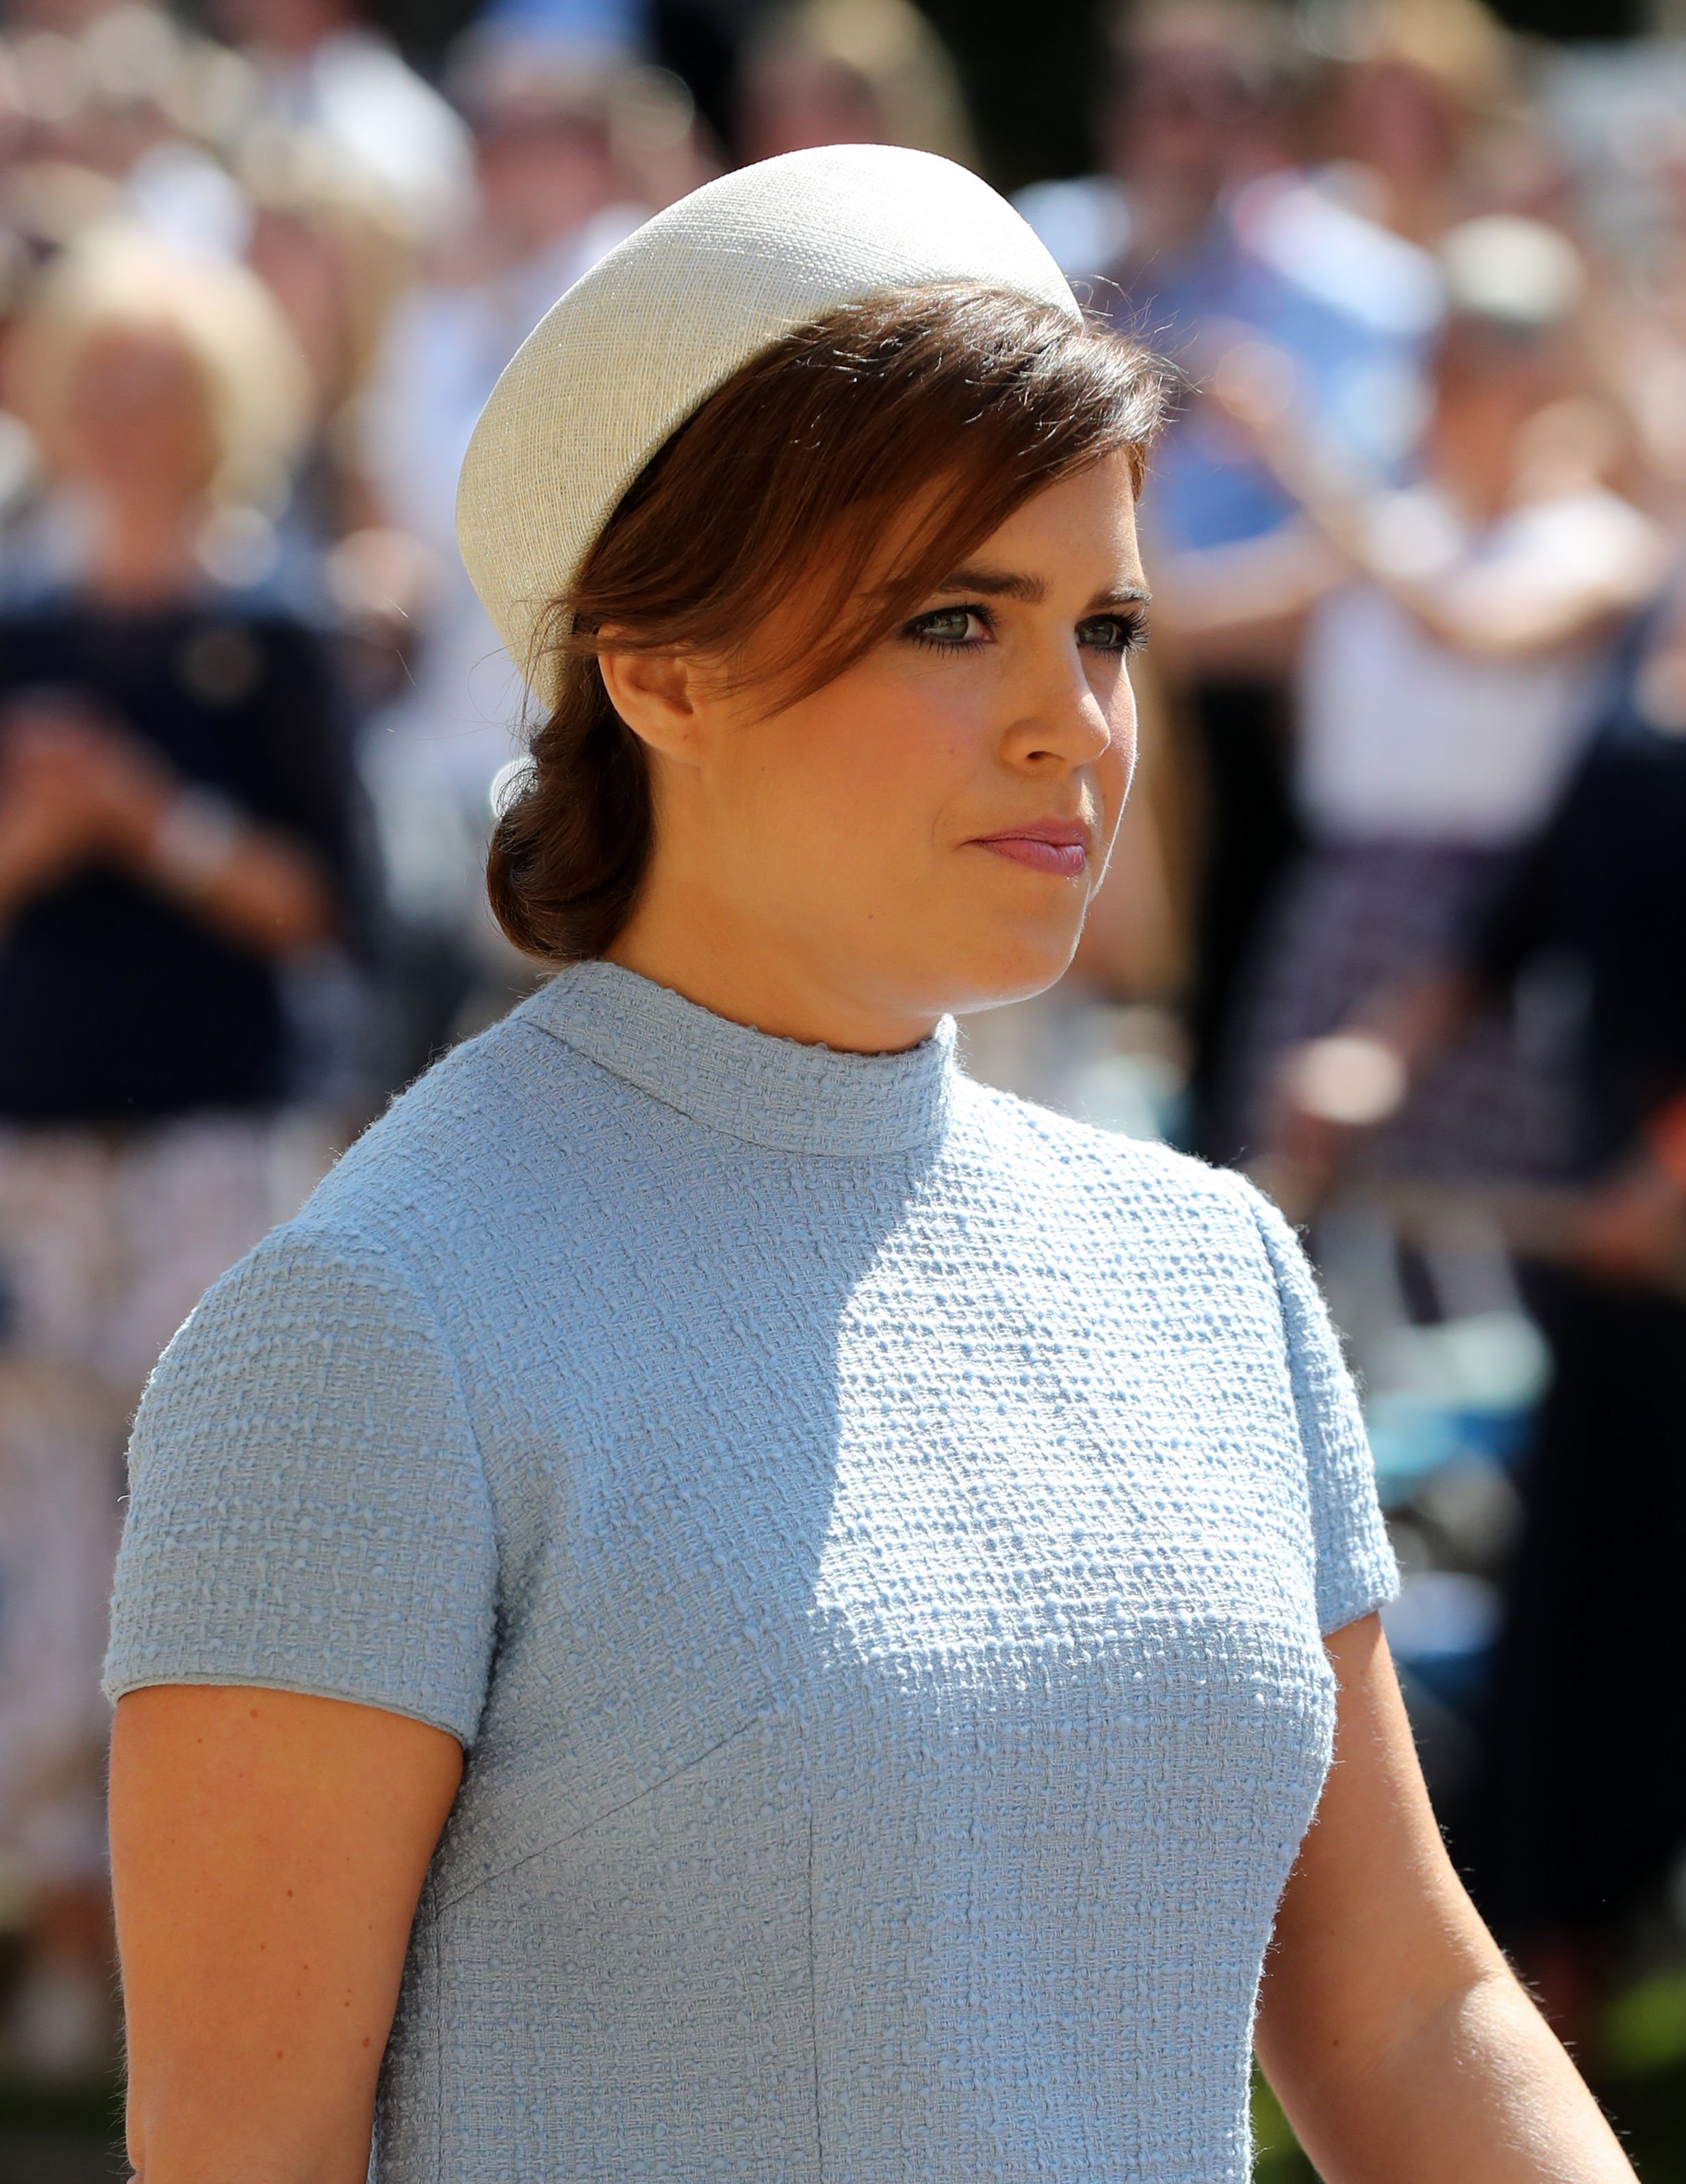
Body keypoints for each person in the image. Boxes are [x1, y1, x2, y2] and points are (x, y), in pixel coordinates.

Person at [104, 146, 1633, 2183]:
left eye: (1103, 625)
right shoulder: (373, 1326)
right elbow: (240, 2149)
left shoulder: (1208, 1267)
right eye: (951, 618)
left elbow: (1408, 2010)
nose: (1072, 725)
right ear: (656, 668)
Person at [0, 230, 364, 2073]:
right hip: (40, 1133)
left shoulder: (276, 621)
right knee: (46, 1534)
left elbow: (328, 906)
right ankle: (65, 1927)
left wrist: (144, 816)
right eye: (102, 378)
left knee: (204, 1534)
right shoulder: (20, 620)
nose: (127, 417)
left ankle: (206, 1958)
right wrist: (48, 835)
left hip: (226, 1130)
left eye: (165, 381)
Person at [1169, 215, 1665, 1177]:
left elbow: (1475, 627)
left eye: (1502, 352)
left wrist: (1299, 455)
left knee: (1470, 1246)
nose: (1470, 382)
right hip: (1337, 908)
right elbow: (1179, 629)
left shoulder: (1604, 548)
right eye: (1451, 354)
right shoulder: (1381, 535)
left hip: (1494, 945)